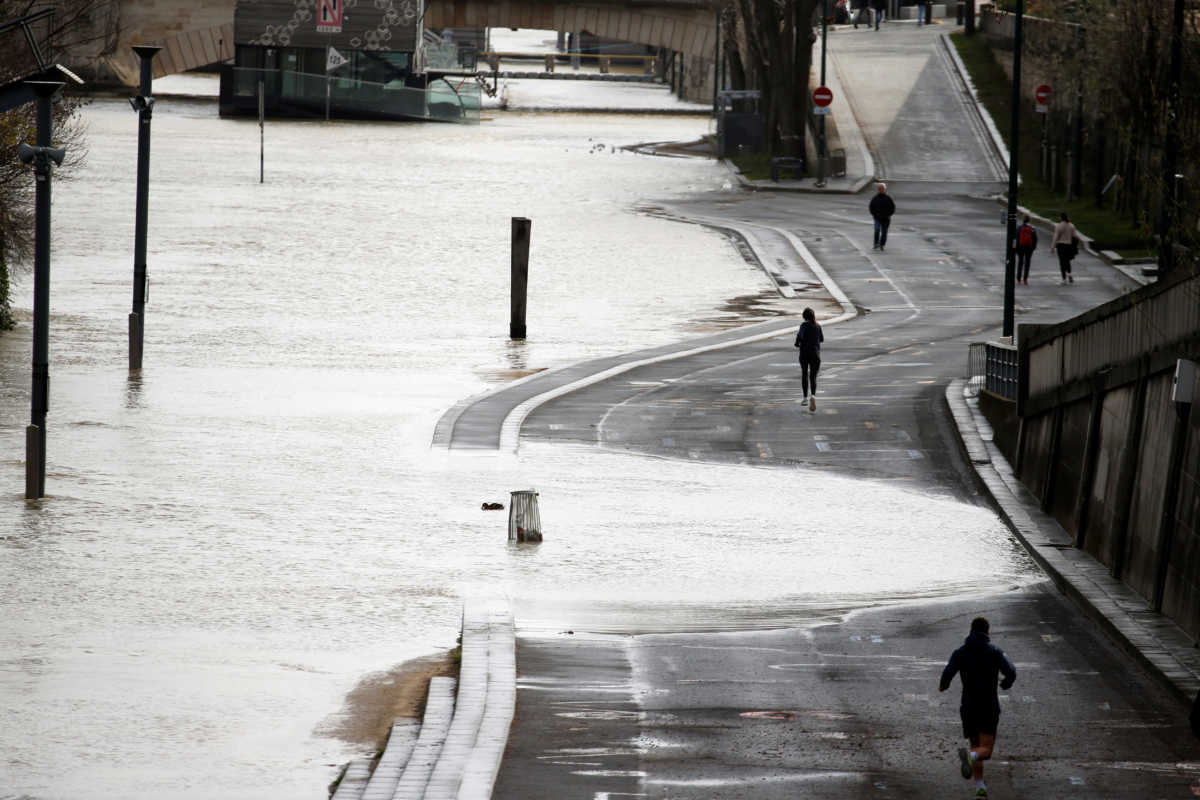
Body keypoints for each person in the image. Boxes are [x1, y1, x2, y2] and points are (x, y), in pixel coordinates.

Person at [939, 617, 1016, 799]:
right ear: (987, 632)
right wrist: (1005, 684)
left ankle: (980, 788)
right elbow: (1011, 671)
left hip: (968, 706)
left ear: (971, 631)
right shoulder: (995, 651)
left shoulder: (960, 652)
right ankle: (969, 759)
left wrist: (944, 685)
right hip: (988, 706)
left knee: (975, 746)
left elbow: (948, 671)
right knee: (985, 751)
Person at [794, 307, 824, 411]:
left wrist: (798, 343)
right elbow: (821, 339)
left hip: (804, 354)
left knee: (804, 374)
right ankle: (813, 396)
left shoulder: (803, 326)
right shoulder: (818, 326)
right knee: (813, 376)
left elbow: (799, 339)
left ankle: (805, 398)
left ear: (804, 317)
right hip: (815, 354)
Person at [1050, 211, 1079, 284]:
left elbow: (1055, 237)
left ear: (1061, 218)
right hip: (1069, 246)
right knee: (1067, 261)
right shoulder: (1071, 225)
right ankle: (1069, 274)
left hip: (1061, 246)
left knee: (1062, 262)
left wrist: (1052, 247)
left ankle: (1064, 279)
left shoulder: (1059, 226)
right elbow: (1075, 236)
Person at [869, 182, 895, 251]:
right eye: (879, 189)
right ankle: (876, 243)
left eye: (882, 189)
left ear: (884, 190)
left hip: (886, 219)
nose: (881, 190)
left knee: (884, 232)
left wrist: (889, 214)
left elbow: (892, 208)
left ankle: (882, 244)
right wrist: (874, 214)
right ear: (878, 190)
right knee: (877, 230)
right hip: (877, 218)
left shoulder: (888, 198)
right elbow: (871, 207)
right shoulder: (875, 198)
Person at [1015, 215, 1038, 285]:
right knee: (1027, 263)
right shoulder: (1032, 229)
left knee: (1020, 262)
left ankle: (1018, 279)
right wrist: (1033, 247)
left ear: (1023, 220)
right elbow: (1035, 239)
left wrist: (1016, 248)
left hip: (1020, 247)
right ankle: (1025, 279)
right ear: (1029, 220)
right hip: (1029, 247)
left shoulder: (1019, 228)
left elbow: (1016, 238)